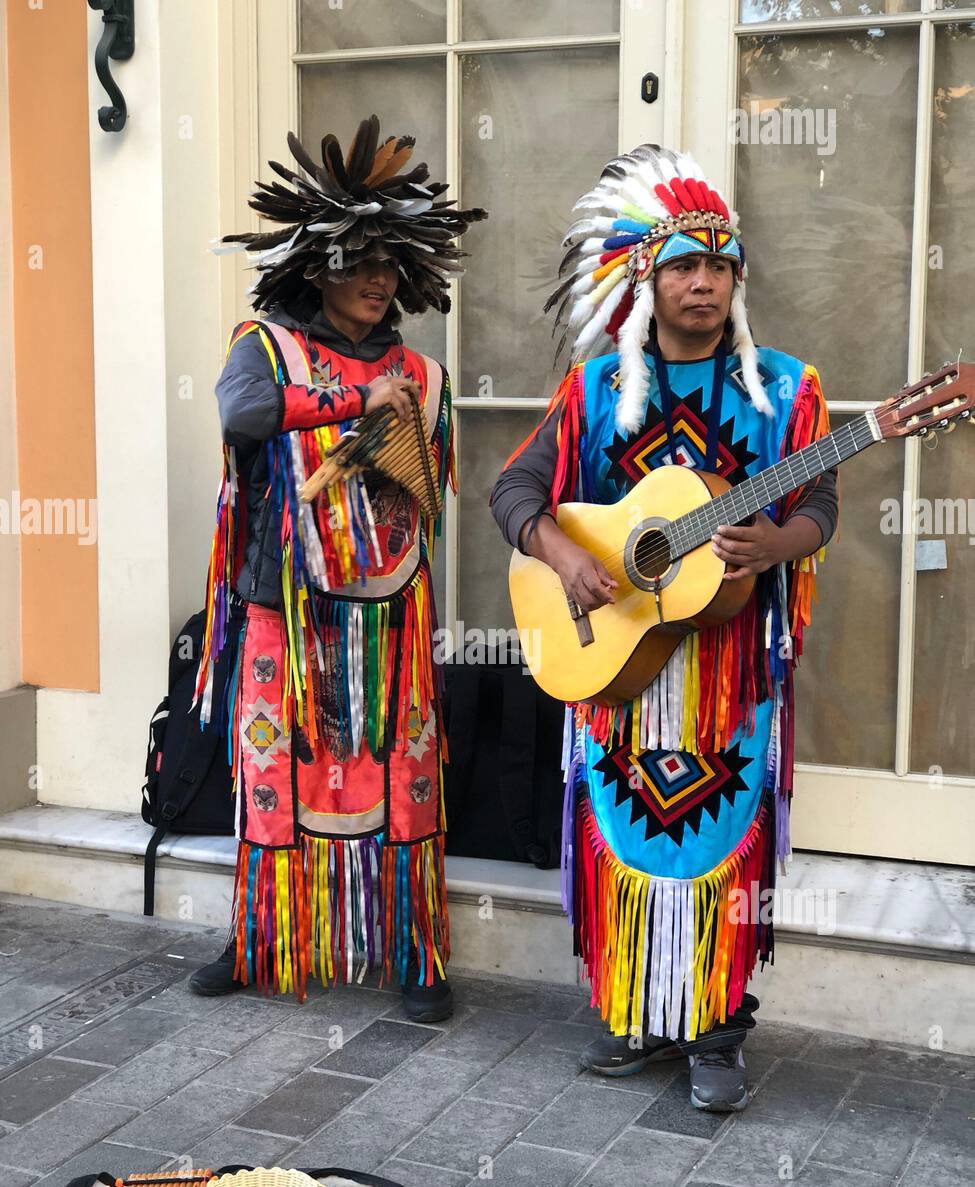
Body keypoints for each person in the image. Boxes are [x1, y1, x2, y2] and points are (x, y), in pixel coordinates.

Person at [490, 145, 837, 1109]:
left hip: (726, 673)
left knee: (720, 842)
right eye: (685, 265)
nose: (703, 283)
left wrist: (778, 543)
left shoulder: (782, 390)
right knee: (627, 839)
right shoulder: (595, 388)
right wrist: (563, 554)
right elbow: (515, 488)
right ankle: (639, 1010)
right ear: (647, 277)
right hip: (619, 660)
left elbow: (823, 508)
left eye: (719, 267)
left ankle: (716, 1026)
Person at [188, 117, 486, 1021]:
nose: (375, 280)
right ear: (315, 266)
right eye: (357, 262)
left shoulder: (425, 375)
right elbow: (241, 417)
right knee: (278, 771)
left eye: (389, 265)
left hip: (390, 612)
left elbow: (433, 486)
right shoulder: (263, 346)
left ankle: (417, 954)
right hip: (283, 601)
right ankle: (259, 939)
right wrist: (358, 398)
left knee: (404, 775)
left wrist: (394, 442)